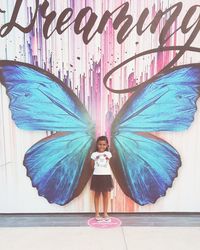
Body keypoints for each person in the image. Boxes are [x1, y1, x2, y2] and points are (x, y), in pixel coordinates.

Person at [90, 136, 114, 222]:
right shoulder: (94, 155)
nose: (102, 146)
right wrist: (98, 170)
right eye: (100, 144)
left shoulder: (108, 154)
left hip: (106, 176)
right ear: (97, 144)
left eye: (104, 144)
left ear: (107, 145)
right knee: (97, 194)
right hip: (97, 176)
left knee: (106, 195)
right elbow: (92, 166)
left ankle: (105, 213)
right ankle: (97, 213)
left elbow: (108, 164)